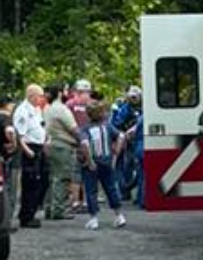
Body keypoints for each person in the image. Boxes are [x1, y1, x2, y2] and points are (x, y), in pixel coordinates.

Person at [76, 101, 126, 230]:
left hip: (92, 164)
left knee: (91, 190)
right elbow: (121, 135)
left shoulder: (85, 129)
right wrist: (115, 154)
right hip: (107, 161)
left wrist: (90, 161)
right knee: (111, 188)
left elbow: (85, 144)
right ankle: (119, 215)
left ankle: (94, 219)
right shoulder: (108, 127)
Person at [12, 83, 49, 228]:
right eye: (40, 96)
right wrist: (28, 151)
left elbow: (40, 126)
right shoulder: (22, 111)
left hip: (39, 147)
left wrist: (45, 139)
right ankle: (26, 216)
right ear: (32, 96)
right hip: (30, 149)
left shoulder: (37, 109)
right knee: (31, 183)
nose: (41, 99)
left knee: (43, 180)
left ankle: (33, 210)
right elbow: (20, 134)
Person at [43, 85, 81, 220]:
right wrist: (81, 141)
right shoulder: (61, 109)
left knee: (52, 177)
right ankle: (59, 209)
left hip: (51, 144)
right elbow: (73, 128)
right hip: (63, 145)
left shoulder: (48, 109)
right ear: (59, 94)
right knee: (62, 177)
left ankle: (49, 207)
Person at [0, 94, 21, 230]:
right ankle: (8, 221)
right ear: (7, 105)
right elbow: (9, 130)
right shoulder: (6, 118)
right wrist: (12, 143)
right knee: (10, 190)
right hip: (7, 160)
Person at [110, 85, 145, 208]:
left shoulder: (144, 109)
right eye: (132, 97)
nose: (134, 99)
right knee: (125, 167)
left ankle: (137, 195)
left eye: (136, 97)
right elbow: (116, 123)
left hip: (136, 142)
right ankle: (126, 192)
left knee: (138, 170)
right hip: (126, 141)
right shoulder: (124, 108)